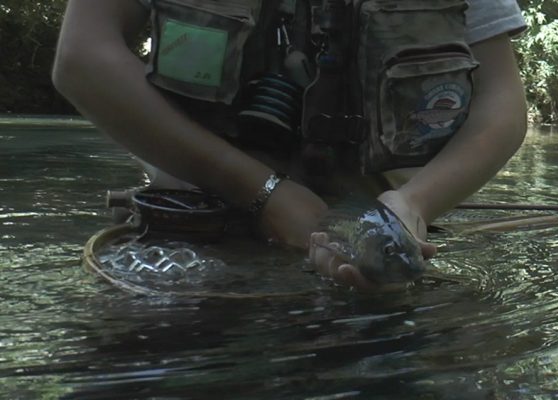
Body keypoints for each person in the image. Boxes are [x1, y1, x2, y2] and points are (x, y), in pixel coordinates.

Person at [53, 0, 528, 290]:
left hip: (370, 246)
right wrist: (263, 194)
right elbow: (81, 58)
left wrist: (413, 205)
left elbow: (502, 103)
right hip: (189, 238)